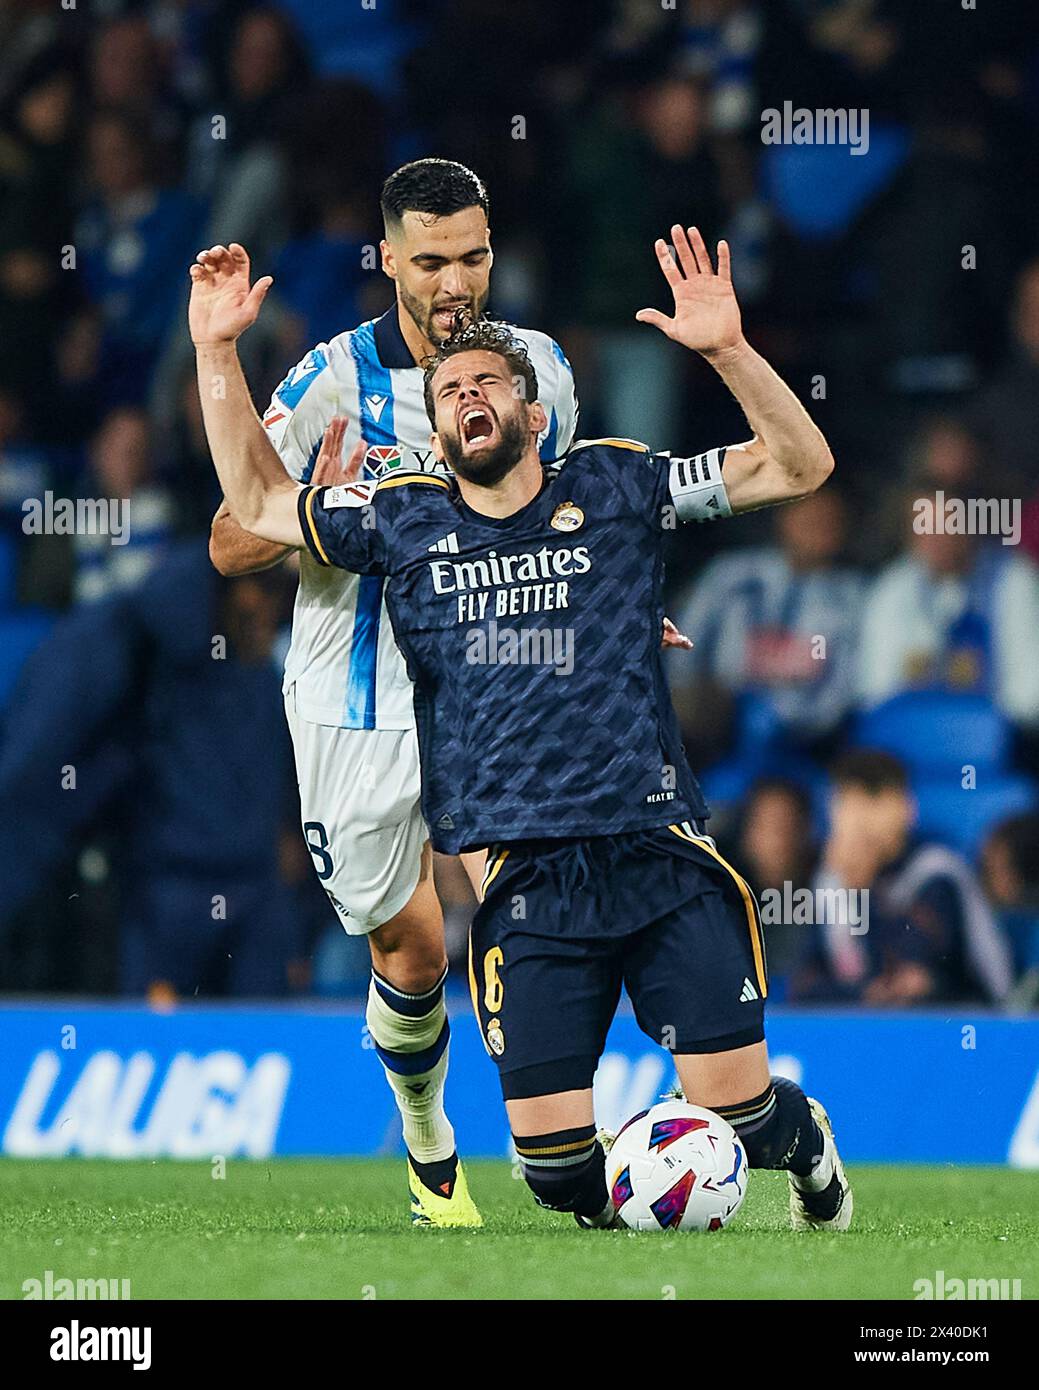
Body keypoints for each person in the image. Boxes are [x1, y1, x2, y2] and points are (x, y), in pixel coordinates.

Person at [192, 219, 854, 1233]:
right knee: (551, 1173)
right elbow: (249, 503)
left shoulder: (619, 487)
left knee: (744, 1114)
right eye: (449, 390)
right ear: (436, 426)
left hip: (653, 851)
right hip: (530, 885)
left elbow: (797, 466)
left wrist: (726, 349)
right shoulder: (402, 523)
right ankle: (633, 1191)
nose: (467, 398)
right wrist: (214, 351)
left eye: (488, 384)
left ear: (535, 411)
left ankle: (806, 1156)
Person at [202, 159, 579, 1228]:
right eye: (429, 260)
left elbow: (559, 514)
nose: (453, 280)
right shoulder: (328, 380)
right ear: (388, 260)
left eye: (470, 256)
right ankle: (427, 1137)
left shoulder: (538, 370)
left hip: (493, 681)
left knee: (532, 900)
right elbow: (231, 540)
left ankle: (559, 1138)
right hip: (352, 699)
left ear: (492, 252)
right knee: (403, 945)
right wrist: (330, 501)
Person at [792, 750, 1014, 1005]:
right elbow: (804, 985)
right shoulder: (832, 881)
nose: (856, 820)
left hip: (973, 1024)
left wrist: (862, 893)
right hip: (872, 1030)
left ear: (906, 808)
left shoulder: (938, 871)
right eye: (845, 802)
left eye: (872, 799)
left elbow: (909, 983)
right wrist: (853, 892)